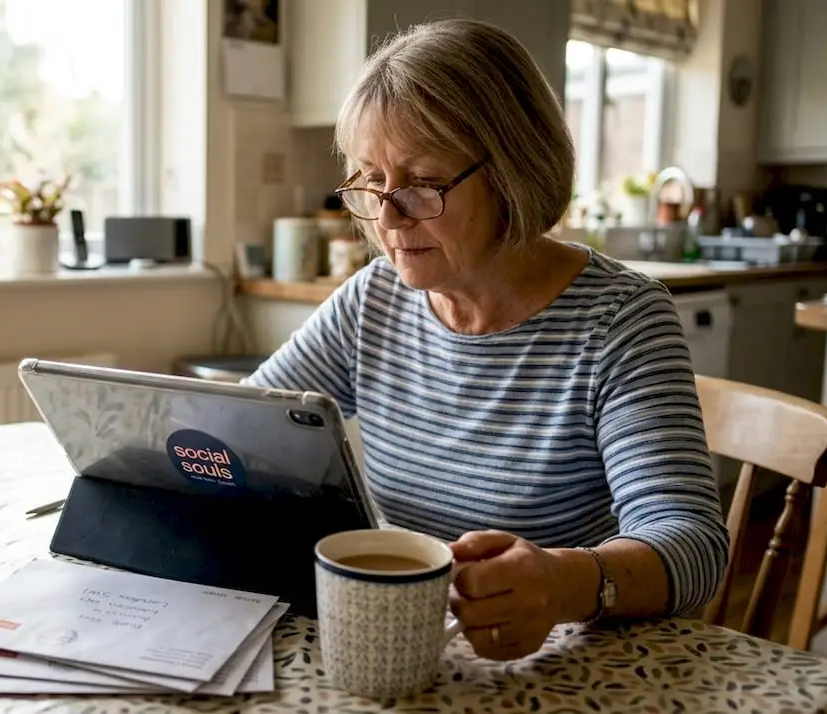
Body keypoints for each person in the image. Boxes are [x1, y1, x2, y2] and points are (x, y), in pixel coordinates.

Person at [242, 19, 729, 662]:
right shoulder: (374, 301)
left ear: (511, 171)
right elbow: (245, 426)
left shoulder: (620, 320)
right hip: (412, 645)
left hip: (560, 658)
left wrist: (562, 582)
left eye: (420, 183)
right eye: (369, 181)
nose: (387, 218)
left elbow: (693, 544)